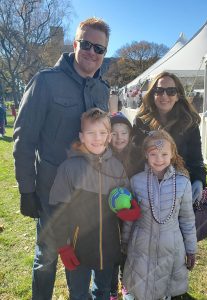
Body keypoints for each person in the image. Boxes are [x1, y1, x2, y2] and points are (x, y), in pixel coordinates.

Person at [13, 17, 111, 300]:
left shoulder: (102, 90)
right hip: (49, 192)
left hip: (88, 194)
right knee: (47, 259)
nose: (92, 52)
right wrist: (26, 190)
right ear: (75, 44)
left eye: (100, 48)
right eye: (87, 44)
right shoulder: (45, 82)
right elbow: (24, 139)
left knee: (78, 259)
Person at [49, 108, 133, 299]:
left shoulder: (117, 167)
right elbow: (57, 211)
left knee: (102, 291)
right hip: (79, 248)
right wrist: (63, 245)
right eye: (91, 133)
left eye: (102, 133)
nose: (97, 138)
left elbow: (126, 198)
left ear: (109, 136)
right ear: (81, 136)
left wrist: (129, 208)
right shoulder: (69, 169)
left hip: (109, 247)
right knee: (78, 293)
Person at [122, 130, 197, 300]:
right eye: (153, 154)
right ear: (146, 155)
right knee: (141, 287)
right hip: (141, 246)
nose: (159, 159)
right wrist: (125, 241)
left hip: (171, 247)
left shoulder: (183, 183)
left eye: (164, 154)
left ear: (172, 154)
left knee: (166, 290)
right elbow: (129, 217)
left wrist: (191, 249)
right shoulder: (136, 181)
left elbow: (187, 219)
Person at [132, 71, 206, 204]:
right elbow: (134, 158)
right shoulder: (141, 123)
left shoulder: (189, 124)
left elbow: (196, 160)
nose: (164, 95)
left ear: (178, 96)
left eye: (171, 91)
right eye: (159, 90)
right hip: (147, 192)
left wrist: (198, 181)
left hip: (179, 192)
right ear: (153, 94)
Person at [110, 112, 142, 300]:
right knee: (112, 250)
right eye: (114, 133)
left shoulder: (137, 156)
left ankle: (126, 283)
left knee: (128, 249)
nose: (119, 137)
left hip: (131, 212)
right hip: (110, 214)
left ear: (130, 135)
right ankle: (111, 287)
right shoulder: (103, 155)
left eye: (124, 133)